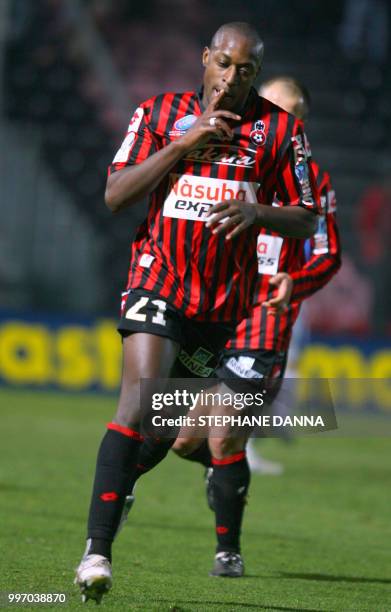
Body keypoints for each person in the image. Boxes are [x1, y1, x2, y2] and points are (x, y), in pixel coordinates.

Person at [75, 24, 319, 602]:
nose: (232, 79)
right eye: (226, 64)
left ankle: (125, 488)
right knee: (137, 404)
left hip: (220, 306)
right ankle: (96, 554)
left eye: (247, 71)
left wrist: (258, 212)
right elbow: (115, 194)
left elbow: (307, 217)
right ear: (206, 58)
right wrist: (183, 145)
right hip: (157, 278)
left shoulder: (281, 131)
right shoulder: (160, 112)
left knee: (164, 434)